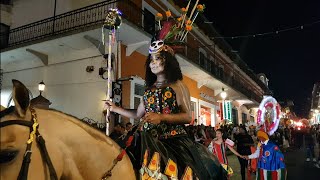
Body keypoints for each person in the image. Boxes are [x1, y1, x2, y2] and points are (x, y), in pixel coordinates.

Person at [104, 38, 226, 179]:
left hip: (174, 141)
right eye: (151, 60)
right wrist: (114, 108)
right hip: (148, 141)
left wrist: (161, 117)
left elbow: (187, 116)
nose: (153, 63)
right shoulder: (149, 89)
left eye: (158, 59)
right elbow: (138, 114)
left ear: (168, 61)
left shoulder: (178, 85)